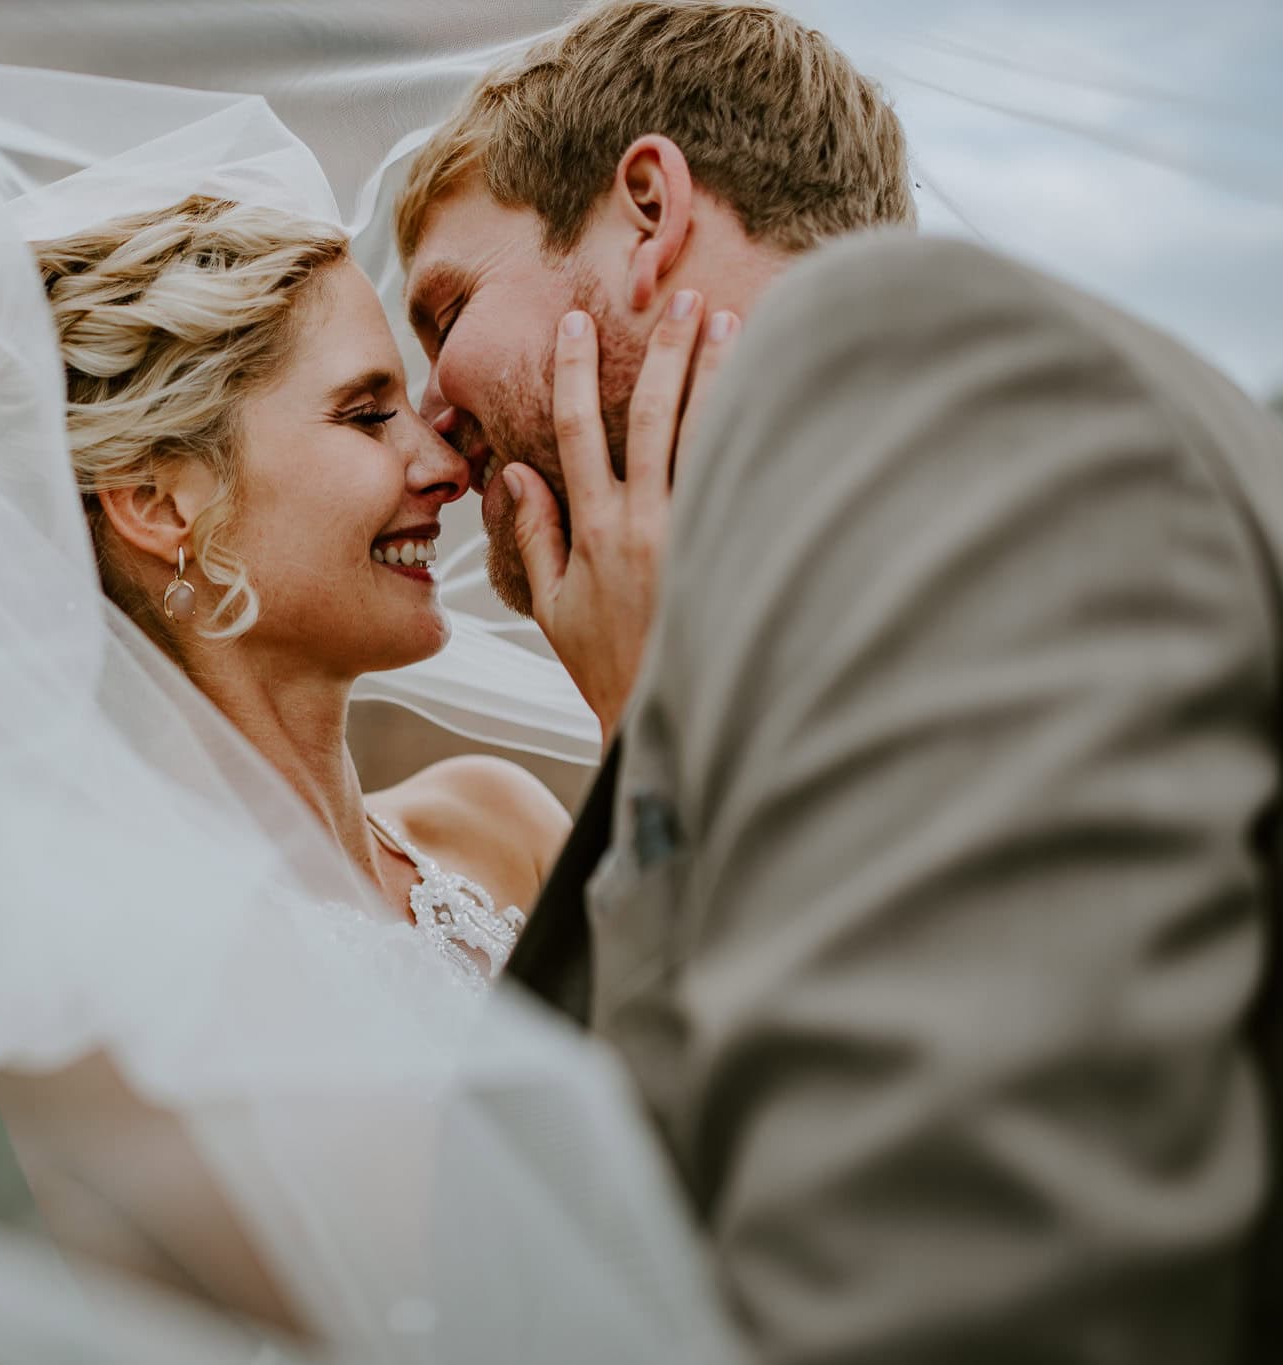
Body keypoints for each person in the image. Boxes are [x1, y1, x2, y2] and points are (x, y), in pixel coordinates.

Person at [398, 2, 1282, 1361]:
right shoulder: (846, 533)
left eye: (448, 309)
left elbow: (958, 1289)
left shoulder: (901, 367)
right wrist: (654, 718)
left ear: (647, 209)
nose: (438, 424)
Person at [30, 194, 568, 982]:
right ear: (158, 502)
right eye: (368, 413)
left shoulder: (497, 821)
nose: (450, 468)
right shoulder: (127, 950)